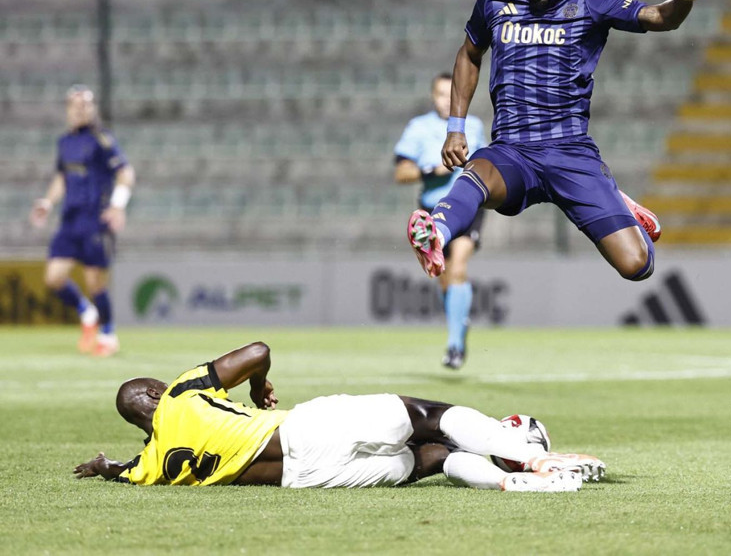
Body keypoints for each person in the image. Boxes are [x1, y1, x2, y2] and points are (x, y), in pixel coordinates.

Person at [407, 0, 709, 282]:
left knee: (637, 266)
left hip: (570, 152)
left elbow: (659, 17)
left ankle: (616, 201)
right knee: (477, 174)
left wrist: (682, 2)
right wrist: (455, 128)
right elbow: (469, 54)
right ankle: (435, 235)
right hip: (513, 151)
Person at [73, 341, 605, 492]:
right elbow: (257, 351)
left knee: (431, 459)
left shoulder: (153, 464)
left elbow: (120, 469)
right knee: (427, 415)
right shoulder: (181, 394)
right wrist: (257, 387)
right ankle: (536, 458)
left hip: (306, 479)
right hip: (305, 430)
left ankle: (517, 483)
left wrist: (102, 466)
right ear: (155, 393)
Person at [29, 85, 135, 356]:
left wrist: (118, 205)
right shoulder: (65, 142)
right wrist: (47, 202)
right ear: (67, 109)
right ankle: (87, 312)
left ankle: (108, 334)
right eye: (75, 105)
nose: (80, 109)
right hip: (70, 219)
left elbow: (125, 173)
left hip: (95, 218)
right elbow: (62, 177)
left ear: (93, 108)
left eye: (85, 104)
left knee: (95, 282)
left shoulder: (102, 139)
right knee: (54, 278)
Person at [394, 72, 487, 369]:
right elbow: (401, 173)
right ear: (433, 97)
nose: (447, 101)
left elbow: (486, 167)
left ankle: (455, 346)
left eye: (452, 94)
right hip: (433, 210)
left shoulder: (473, 126)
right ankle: (460, 324)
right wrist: (431, 171)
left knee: (458, 267)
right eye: (441, 95)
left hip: (468, 206)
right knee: (445, 278)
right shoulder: (418, 128)